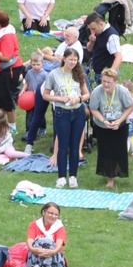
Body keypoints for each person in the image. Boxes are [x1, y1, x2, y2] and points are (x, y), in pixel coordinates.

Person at [43, 48, 90, 189]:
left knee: (75, 146)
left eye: (75, 60)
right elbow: (45, 95)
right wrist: (59, 98)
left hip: (77, 111)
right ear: (64, 59)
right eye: (70, 59)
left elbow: (87, 94)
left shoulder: (79, 74)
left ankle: (73, 176)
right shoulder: (54, 75)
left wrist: (79, 98)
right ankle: (62, 176)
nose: (73, 62)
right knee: (63, 146)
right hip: (61, 112)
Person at [89, 68, 133, 188]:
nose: (106, 84)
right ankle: (110, 178)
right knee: (106, 151)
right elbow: (93, 108)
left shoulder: (123, 91)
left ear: (115, 82)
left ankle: (119, 173)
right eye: (103, 81)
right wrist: (103, 121)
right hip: (102, 125)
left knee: (119, 150)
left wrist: (119, 121)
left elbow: (130, 107)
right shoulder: (97, 91)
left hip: (120, 124)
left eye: (109, 82)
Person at [26, 202, 66, 267]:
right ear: (43, 212)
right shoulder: (34, 225)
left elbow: (59, 244)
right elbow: (30, 241)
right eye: (51, 213)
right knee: (39, 242)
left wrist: (52, 252)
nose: (53, 216)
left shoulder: (59, 227)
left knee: (48, 242)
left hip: (55, 261)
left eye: (56, 214)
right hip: (36, 256)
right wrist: (33, 249)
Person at [20, 52, 47, 153]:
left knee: (39, 114)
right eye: (33, 64)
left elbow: (47, 85)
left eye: (38, 65)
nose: (35, 67)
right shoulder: (29, 73)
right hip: (29, 98)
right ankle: (28, 131)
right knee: (30, 114)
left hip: (40, 98)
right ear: (30, 63)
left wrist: (40, 91)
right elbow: (27, 82)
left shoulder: (45, 74)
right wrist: (23, 90)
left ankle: (42, 128)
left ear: (42, 63)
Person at [85, 12, 122, 85]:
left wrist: (110, 74)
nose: (92, 31)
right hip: (98, 72)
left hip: (106, 75)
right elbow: (89, 49)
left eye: (93, 29)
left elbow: (119, 57)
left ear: (101, 24)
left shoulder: (111, 36)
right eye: (90, 29)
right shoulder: (98, 33)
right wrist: (92, 41)